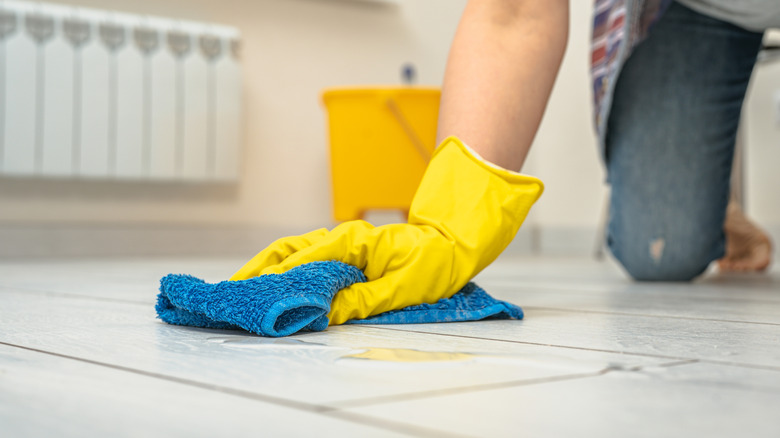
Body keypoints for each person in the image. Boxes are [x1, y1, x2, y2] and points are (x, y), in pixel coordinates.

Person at [231, 0, 776, 324]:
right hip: (701, 10)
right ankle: (712, 210)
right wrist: (448, 228)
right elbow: (514, 12)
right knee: (661, 253)